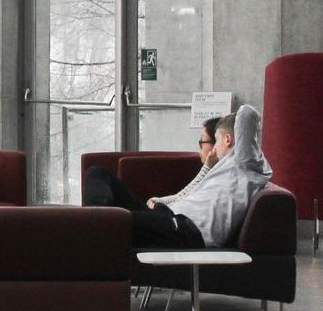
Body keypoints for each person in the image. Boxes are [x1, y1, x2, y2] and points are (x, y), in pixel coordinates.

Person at [83, 106, 272, 249]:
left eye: (216, 139)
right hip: (168, 217)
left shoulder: (246, 163)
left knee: (118, 222)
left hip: (187, 230)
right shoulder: (223, 169)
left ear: (228, 139)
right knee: (97, 172)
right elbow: (187, 194)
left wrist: (226, 120)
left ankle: (97, 224)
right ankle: (98, 218)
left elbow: (247, 113)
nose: (213, 147)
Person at [144, 116, 220, 210]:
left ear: (217, 145)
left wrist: (159, 207)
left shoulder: (217, 178)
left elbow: (184, 202)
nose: (199, 148)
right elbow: (182, 195)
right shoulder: (211, 170)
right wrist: (159, 201)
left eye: (202, 142)